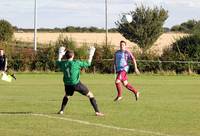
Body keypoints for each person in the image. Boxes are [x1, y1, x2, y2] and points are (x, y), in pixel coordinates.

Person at [56, 47, 104, 116]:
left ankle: (61, 111)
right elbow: (88, 63)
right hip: (76, 84)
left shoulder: (63, 63)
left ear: (65, 56)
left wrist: (60, 54)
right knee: (90, 95)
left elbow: (58, 62)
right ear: (73, 56)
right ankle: (97, 112)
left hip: (67, 84)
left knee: (67, 95)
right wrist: (91, 54)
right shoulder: (76, 63)